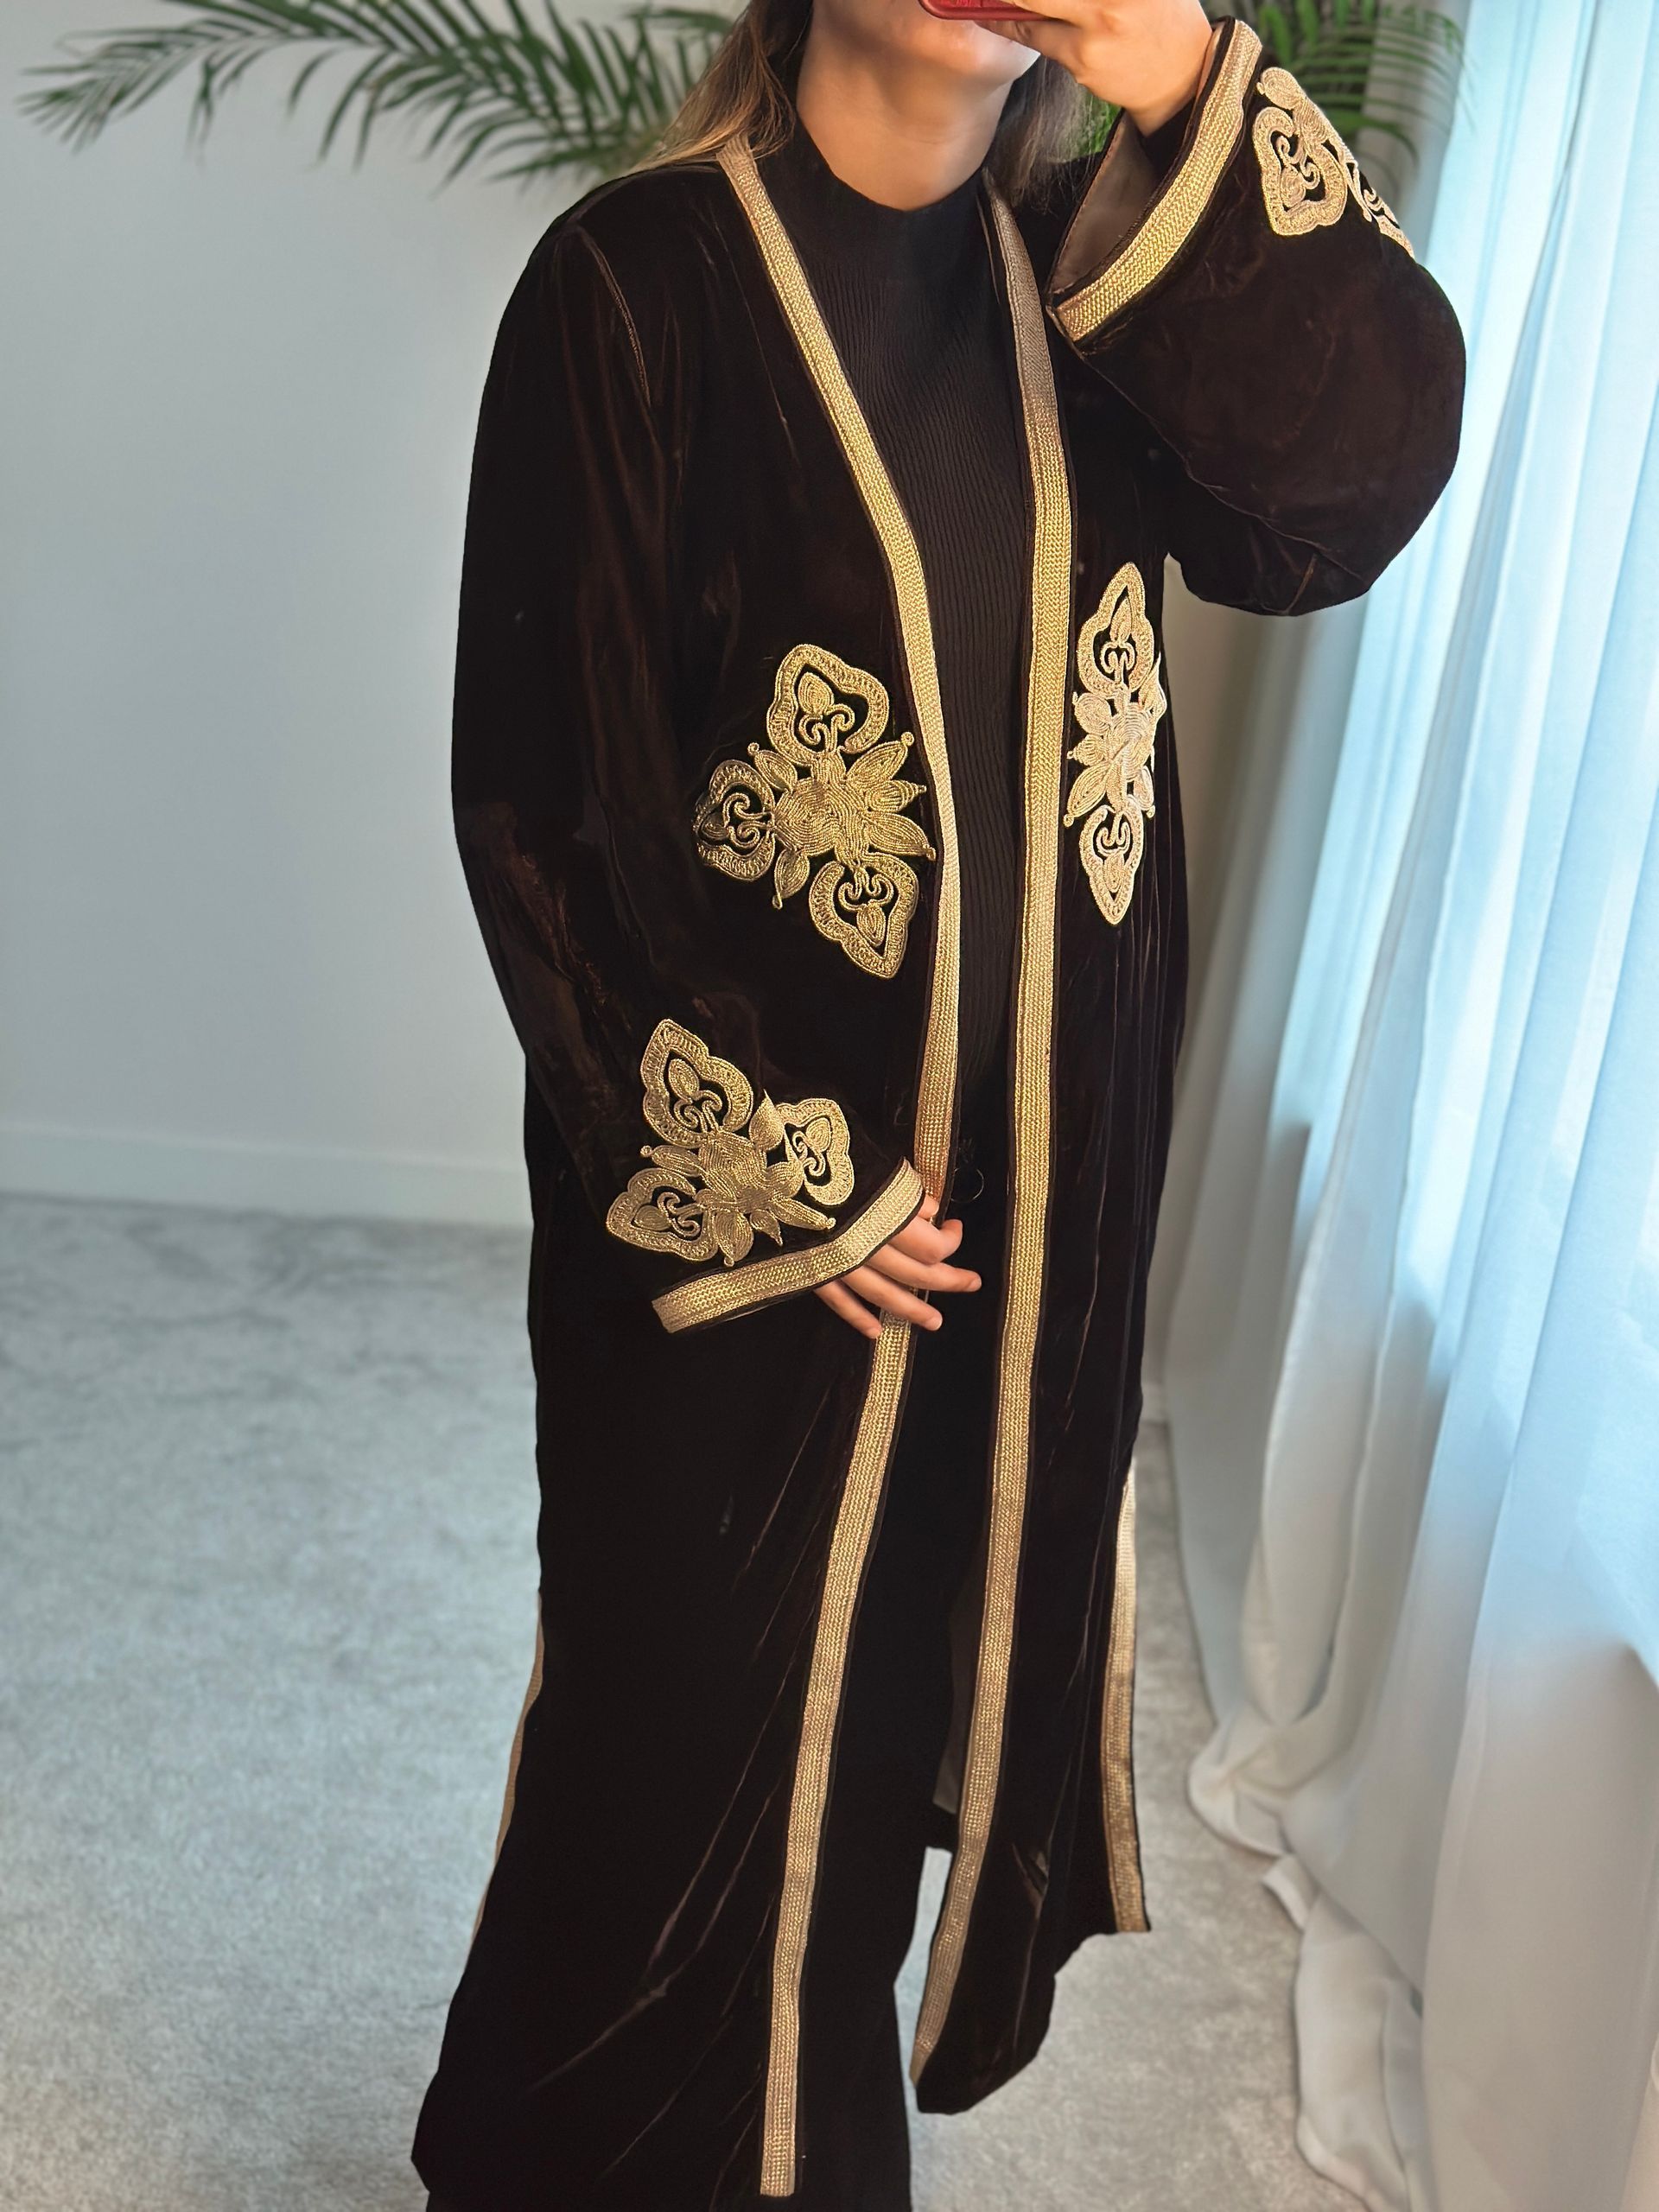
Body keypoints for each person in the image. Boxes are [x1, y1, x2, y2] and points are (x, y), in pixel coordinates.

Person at [411, 0, 1465, 2203]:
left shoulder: (1094, 292)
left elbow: (1353, 485)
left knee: (884, 1746)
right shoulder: (640, 283)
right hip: (753, 1222)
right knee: (669, 1740)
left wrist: (1190, 81)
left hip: (1023, 1221)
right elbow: (548, 806)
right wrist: (789, 1177)